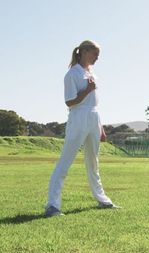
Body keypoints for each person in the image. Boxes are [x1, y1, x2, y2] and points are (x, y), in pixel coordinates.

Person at [45, 40, 119, 217]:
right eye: (94, 54)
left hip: (93, 117)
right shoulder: (72, 74)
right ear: (84, 51)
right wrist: (87, 90)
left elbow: (94, 103)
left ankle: (102, 200)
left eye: (98, 55)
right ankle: (52, 206)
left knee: (93, 162)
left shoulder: (91, 73)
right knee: (65, 161)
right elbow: (70, 102)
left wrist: (100, 127)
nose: (96, 58)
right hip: (78, 117)